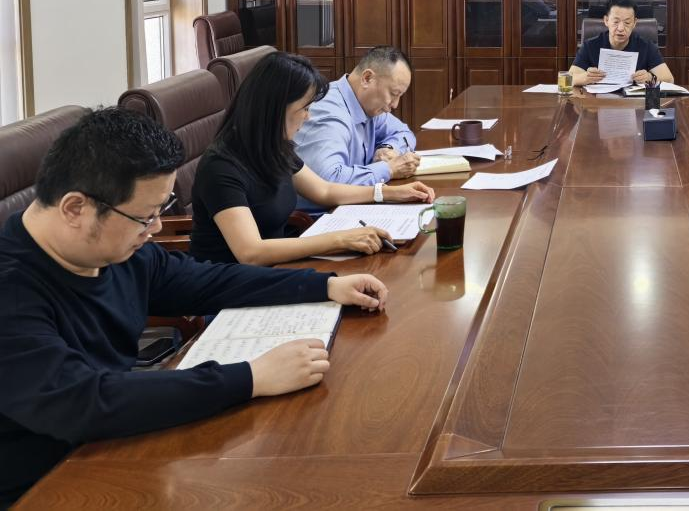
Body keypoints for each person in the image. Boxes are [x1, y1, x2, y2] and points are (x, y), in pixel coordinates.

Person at [0, 108, 391, 506]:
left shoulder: (113, 252)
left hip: (113, 448)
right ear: (74, 209)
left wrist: (324, 285)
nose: (155, 229)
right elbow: (83, 400)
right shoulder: (11, 291)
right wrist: (252, 377)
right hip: (41, 487)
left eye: (161, 211)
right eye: (145, 217)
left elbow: (208, 282)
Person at [191, 52, 434, 266]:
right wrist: (339, 239)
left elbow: (324, 190)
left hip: (277, 269)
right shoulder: (220, 166)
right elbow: (251, 253)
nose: (308, 117)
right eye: (305, 108)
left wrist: (389, 193)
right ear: (277, 107)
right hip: (229, 284)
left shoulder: (274, 147)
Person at [294, 46, 419, 211]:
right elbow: (328, 182)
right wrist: (388, 169)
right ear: (367, 78)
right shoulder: (330, 113)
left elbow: (403, 132)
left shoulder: (369, 105)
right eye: (393, 94)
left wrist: (388, 148)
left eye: (399, 96)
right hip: (322, 216)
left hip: (354, 207)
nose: (395, 105)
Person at [568, 0, 674, 86]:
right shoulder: (590, 46)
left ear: (634, 23)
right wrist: (586, 77)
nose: (621, 28)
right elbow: (569, 79)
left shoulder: (647, 47)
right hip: (598, 101)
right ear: (606, 20)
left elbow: (669, 80)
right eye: (616, 22)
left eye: (627, 23)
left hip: (634, 102)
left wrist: (650, 77)